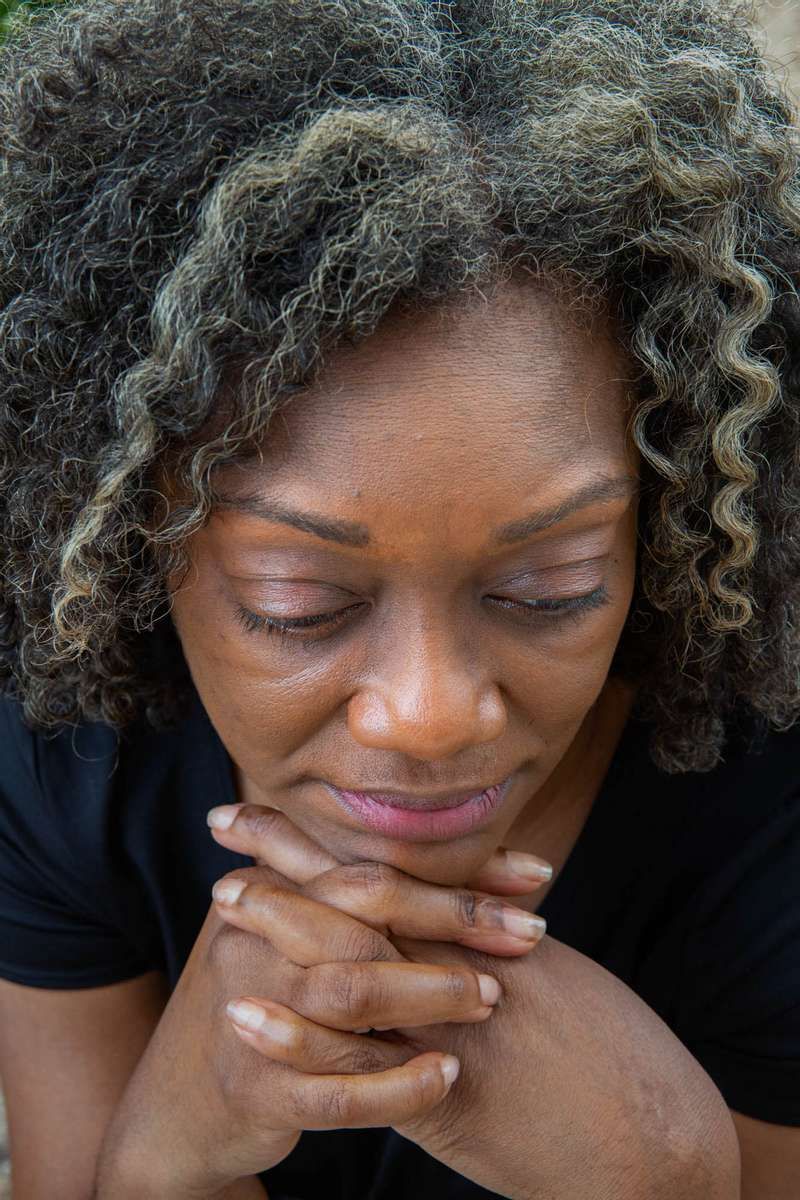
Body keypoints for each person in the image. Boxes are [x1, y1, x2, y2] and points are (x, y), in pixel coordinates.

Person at [0, 0, 798, 1196]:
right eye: (297, 602)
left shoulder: (770, 828)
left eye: (549, 588)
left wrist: (672, 1172)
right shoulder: (68, 760)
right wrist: (171, 1143)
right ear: (126, 546)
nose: (426, 717)